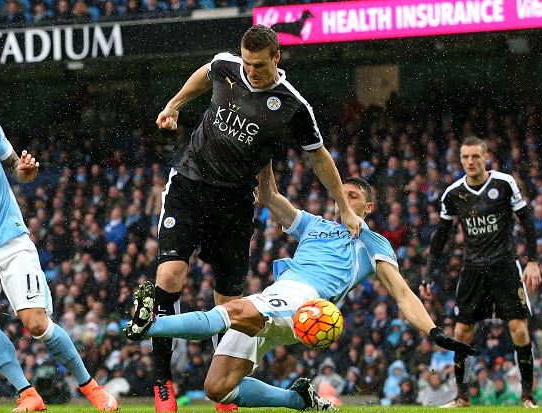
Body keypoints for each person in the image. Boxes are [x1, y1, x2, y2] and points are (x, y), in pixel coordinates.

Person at [125, 162, 475, 411]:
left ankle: (150, 326)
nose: (343, 198)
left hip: (307, 303)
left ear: (368, 207)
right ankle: (299, 400)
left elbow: (402, 293)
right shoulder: (313, 224)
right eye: (341, 192)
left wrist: (434, 332)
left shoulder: (373, 243)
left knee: (232, 310)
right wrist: (264, 154)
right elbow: (269, 195)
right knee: (218, 389)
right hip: (281, 297)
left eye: (352, 196)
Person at [150, 24, 361, 412]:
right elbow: (207, 70)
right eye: (247, 63)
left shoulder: (294, 106)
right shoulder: (228, 67)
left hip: (235, 203)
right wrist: (175, 103)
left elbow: (318, 157)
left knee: (230, 301)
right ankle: (162, 382)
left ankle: (225, 393)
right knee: (169, 277)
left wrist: (344, 207)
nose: (251, 72)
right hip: (191, 183)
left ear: (276, 58)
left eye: (259, 66)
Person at [0, 71, 119, 412]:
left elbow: (16, 166)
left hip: (11, 239)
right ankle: (27, 394)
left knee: (36, 324)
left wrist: (25, 171)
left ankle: (90, 387)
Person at [421, 136, 541, 408]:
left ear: (485, 157)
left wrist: (533, 261)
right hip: (473, 270)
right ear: (460, 159)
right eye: (465, 157)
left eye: (476, 156)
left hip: (505, 267)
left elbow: (527, 221)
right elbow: (441, 236)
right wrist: (429, 271)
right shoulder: (453, 193)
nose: (471, 162)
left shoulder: (504, 183)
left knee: (519, 331)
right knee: (462, 333)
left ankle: (527, 397)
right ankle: (461, 397)